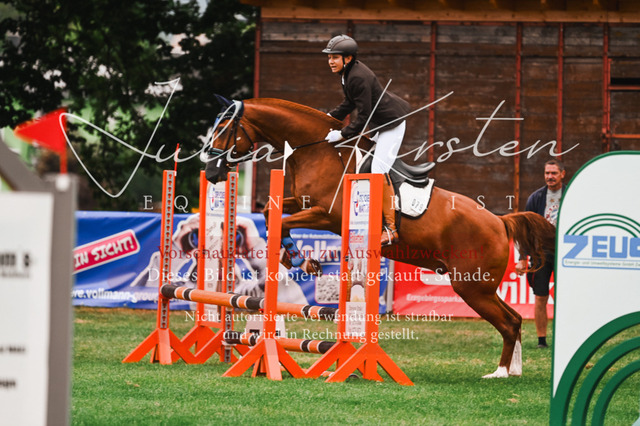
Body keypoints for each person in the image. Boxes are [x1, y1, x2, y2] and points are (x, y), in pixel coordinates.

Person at [322, 34, 411, 246]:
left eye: (335, 57)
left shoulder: (357, 77)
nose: (330, 61)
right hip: (380, 123)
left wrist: (342, 134)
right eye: (329, 57)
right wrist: (326, 118)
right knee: (365, 163)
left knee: (378, 171)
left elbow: (363, 116)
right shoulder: (347, 73)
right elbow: (348, 104)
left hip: (391, 123)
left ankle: (391, 229)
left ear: (348, 58)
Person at [515, 159, 566, 348]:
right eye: (547, 173)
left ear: (562, 174)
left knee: (565, 298)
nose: (550, 177)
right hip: (541, 252)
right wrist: (522, 258)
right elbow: (524, 230)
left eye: (554, 173)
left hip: (566, 252)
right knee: (540, 297)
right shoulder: (535, 198)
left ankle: (564, 337)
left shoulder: (571, 195)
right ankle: (541, 341)